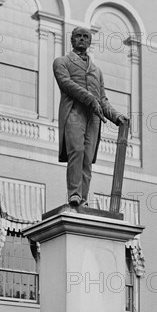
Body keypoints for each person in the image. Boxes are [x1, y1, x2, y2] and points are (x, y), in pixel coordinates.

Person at [53, 27, 129, 206]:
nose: (81, 39)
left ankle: (83, 200)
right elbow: (66, 84)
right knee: (76, 151)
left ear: (89, 42)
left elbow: (102, 99)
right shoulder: (61, 62)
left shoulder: (97, 71)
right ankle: (74, 194)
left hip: (93, 119)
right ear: (72, 40)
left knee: (87, 158)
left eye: (85, 37)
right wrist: (89, 98)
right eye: (77, 36)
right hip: (74, 112)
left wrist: (117, 117)